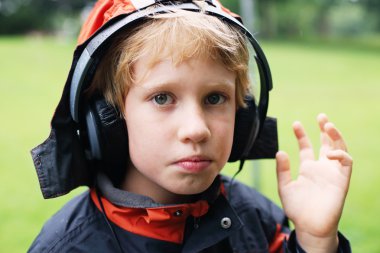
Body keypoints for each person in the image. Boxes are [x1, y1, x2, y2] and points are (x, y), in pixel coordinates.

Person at [28, 1, 353, 252]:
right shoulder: (67, 245)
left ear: (244, 117)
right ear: (106, 118)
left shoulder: (257, 220)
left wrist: (315, 241)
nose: (196, 130)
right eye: (162, 98)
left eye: (214, 98)